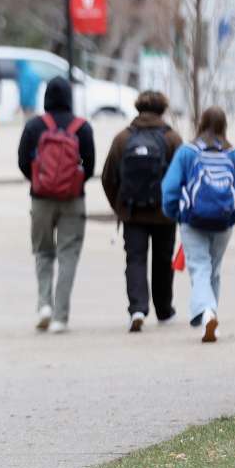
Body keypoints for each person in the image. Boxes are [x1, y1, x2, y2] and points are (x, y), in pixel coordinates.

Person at [161, 107, 235, 343]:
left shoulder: (187, 152)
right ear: (224, 125)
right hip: (223, 222)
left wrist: (174, 213)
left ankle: (207, 313)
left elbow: (169, 188)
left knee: (199, 267)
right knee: (214, 269)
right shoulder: (232, 154)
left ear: (201, 123)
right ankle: (210, 316)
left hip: (192, 221)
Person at [17, 77, 96, 333]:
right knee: (68, 254)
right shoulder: (82, 128)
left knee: (43, 252)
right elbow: (91, 166)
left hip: (40, 199)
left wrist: (39, 181)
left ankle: (44, 306)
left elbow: (22, 161)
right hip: (73, 200)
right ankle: (60, 316)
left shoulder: (34, 126)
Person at [102, 91, 183, 332]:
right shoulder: (172, 139)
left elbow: (108, 177)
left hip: (133, 212)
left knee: (135, 259)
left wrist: (120, 205)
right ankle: (164, 310)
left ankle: (137, 308)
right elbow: (184, 176)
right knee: (162, 261)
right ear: (162, 110)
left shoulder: (122, 139)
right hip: (164, 213)